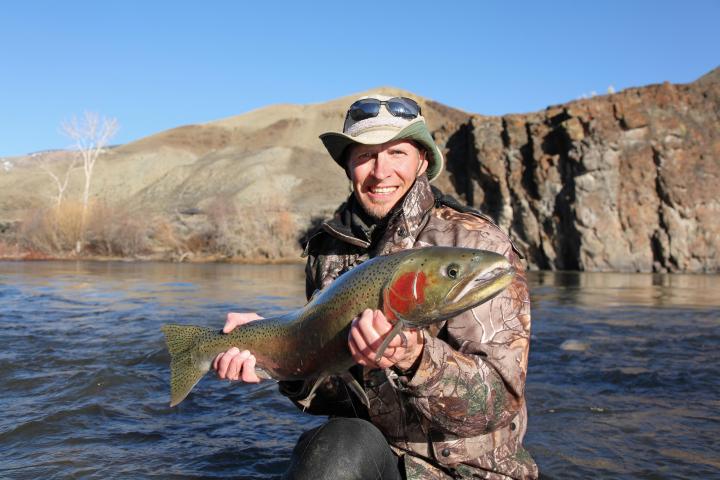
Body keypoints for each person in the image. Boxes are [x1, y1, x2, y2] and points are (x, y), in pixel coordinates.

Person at [213, 95, 538, 479]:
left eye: (397, 153)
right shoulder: (327, 250)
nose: (381, 171)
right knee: (335, 447)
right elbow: (336, 392)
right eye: (365, 155)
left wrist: (415, 358)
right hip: (369, 456)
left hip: (468, 471)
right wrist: (277, 358)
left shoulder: (477, 248)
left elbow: (498, 405)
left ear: (422, 161)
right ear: (347, 165)